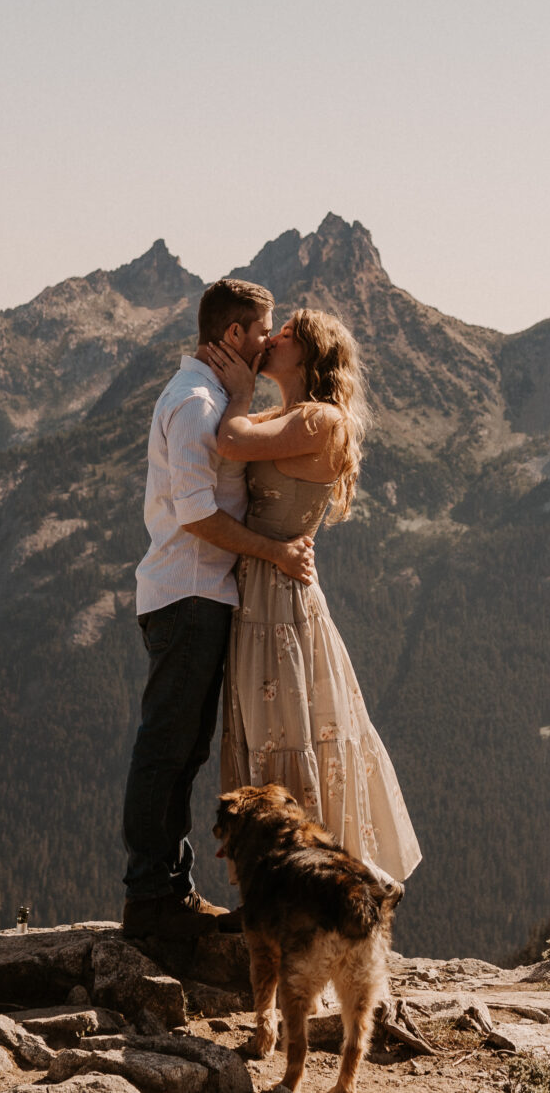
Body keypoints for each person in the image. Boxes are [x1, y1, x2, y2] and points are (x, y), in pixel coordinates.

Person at [122, 277, 316, 944]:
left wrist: (243, 398)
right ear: (233, 335)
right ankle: (150, 896)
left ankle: (170, 887)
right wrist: (275, 552)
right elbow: (199, 515)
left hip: (202, 594)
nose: (270, 340)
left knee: (184, 752)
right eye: (263, 329)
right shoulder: (194, 402)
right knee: (165, 750)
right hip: (188, 592)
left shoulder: (213, 398)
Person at [202, 308, 421, 883]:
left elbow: (229, 439)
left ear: (311, 355)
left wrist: (240, 390)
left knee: (286, 736)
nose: (272, 338)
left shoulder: (320, 419)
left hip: (279, 598)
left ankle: (312, 887)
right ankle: (280, 889)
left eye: (287, 335)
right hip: (262, 588)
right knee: (271, 734)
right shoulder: (291, 415)